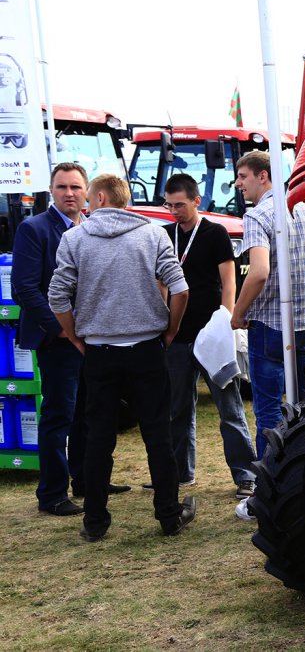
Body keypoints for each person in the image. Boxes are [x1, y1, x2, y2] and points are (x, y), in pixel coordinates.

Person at [48, 174, 196, 540]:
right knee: (158, 433)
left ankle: (95, 521)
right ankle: (169, 514)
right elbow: (180, 288)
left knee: (98, 436)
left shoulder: (75, 238)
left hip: (100, 350)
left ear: (99, 197)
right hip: (147, 347)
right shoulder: (153, 234)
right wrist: (171, 329)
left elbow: (57, 296)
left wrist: (75, 335)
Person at [11, 163, 130, 516]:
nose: (69, 193)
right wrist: (61, 328)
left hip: (92, 337)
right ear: (51, 190)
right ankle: (51, 494)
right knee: (59, 415)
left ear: (88, 192)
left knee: (88, 414)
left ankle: (86, 480)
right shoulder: (34, 229)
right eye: (62, 187)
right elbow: (24, 289)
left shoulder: (91, 228)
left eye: (76, 187)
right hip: (58, 340)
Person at [230, 151, 305, 461]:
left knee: (268, 411)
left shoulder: (257, 216)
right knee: (303, 405)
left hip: (268, 327)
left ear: (262, 176)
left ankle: (268, 477)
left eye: (242, 176)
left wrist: (238, 312)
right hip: (304, 325)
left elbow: (259, 272)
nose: (238, 183)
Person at [155, 174, 257, 499]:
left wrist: (226, 320)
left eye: (180, 205)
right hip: (177, 336)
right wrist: (163, 324)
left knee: (230, 408)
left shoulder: (215, 233)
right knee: (177, 408)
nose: (174, 211)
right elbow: (161, 282)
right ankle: (181, 472)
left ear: (196, 201)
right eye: (169, 205)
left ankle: (246, 475)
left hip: (211, 335)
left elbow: (229, 282)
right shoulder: (164, 234)